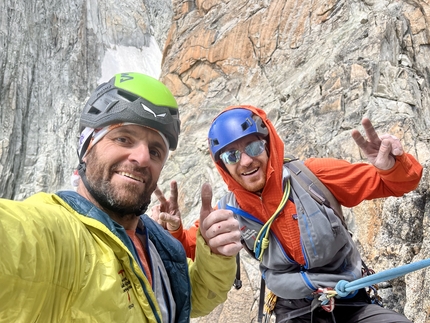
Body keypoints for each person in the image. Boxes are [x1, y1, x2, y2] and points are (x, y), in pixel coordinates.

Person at [0, 72, 243, 323]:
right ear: (86, 147)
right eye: (123, 138)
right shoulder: (60, 235)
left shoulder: (156, 244)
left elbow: (192, 297)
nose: (142, 157)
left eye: (155, 151)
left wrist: (214, 253)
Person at [151, 104, 423, 323]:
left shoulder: (312, 176)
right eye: (231, 156)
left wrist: (390, 166)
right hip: (292, 312)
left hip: (351, 300)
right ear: (222, 166)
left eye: (254, 147)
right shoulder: (228, 211)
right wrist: (172, 230)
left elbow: (396, 183)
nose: (246, 161)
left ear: (268, 145)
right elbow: (190, 245)